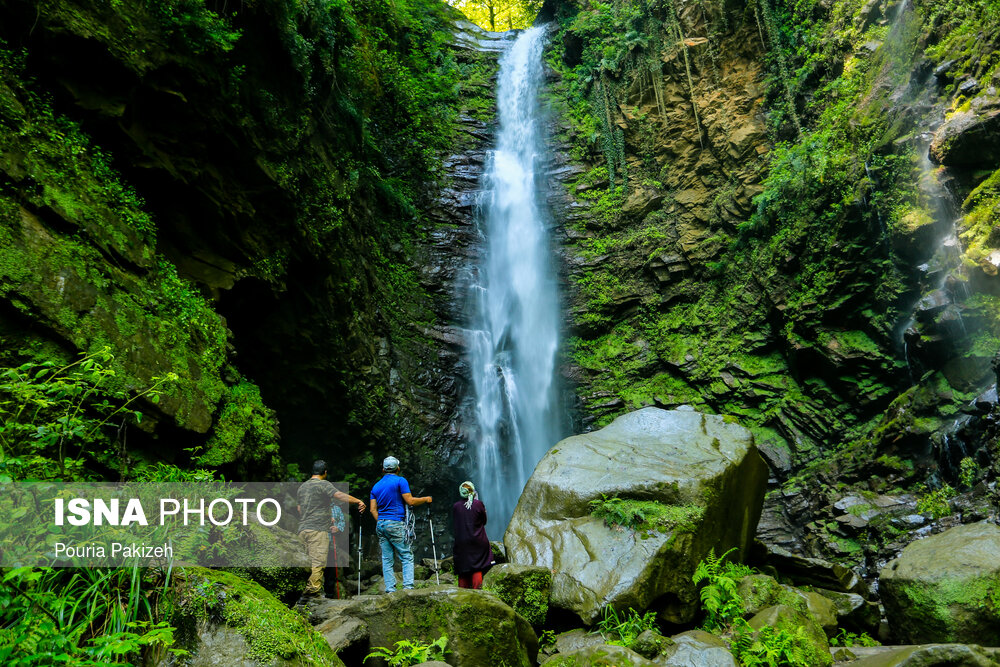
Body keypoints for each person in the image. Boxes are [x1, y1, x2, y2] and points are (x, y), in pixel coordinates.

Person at [297, 459, 365, 602]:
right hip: (318, 530)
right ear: (325, 472)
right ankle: (311, 594)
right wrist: (357, 501)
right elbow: (339, 495)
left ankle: (301, 592)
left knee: (305, 562)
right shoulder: (324, 484)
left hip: (302, 529)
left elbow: (299, 509)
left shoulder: (302, 487)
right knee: (317, 562)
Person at [369, 456, 432, 592]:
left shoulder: (376, 486)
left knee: (387, 559)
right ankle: (408, 587)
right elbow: (410, 501)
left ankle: (390, 589)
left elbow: (373, 509)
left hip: (381, 524)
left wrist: (381, 521)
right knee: (406, 556)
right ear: (398, 468)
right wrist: (425, 499)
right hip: (396, 522)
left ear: (383, 469)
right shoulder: (400, 481)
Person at [451, 481, 492, 589]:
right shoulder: (478, 504)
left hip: (462, 542)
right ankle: (477, 591)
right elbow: (484, 521)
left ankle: (462, 595)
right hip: (478, 540)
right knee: (477, 566)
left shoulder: (456, 506)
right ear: (472, 491)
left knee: (463, 567)